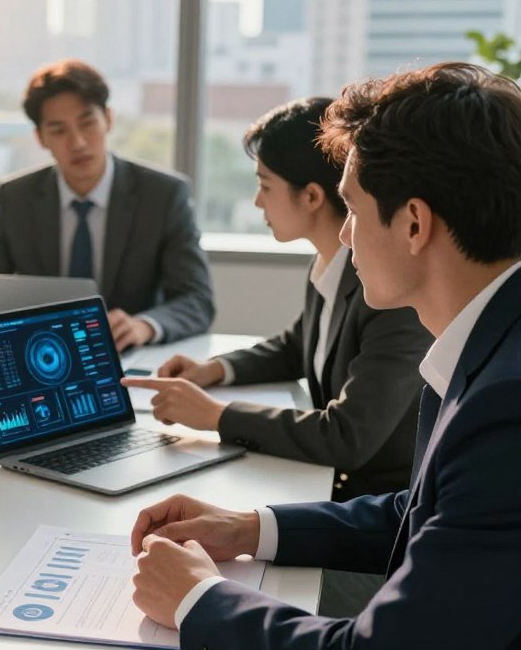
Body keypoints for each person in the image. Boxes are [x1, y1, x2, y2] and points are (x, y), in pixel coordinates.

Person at [129, 62, 521, 650]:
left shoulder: (509, 404)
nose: (341, 235)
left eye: (350, 209)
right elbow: (426, 512)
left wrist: (199, 598)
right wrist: (250, 528)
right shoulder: (485, 340)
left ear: (413, 224)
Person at [123, 97, 431, 501]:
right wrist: (214, 371)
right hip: (325, 484)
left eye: (265, 185)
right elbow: (297, 344)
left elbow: (346, 436)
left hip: (374, 510)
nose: (257, 201)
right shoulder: (328, 262)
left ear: (312, 197)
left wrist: (215, 415)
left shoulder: (389, 292)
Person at [0, 59, 214, 350]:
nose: (78, 142)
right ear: (40, 138)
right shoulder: (17, 198)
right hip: (47, 357)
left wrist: (143, 326)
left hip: (130, 357)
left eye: (87, 123)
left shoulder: (162, 195)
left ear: (108, 119)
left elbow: (196, 300)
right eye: (59, 130)